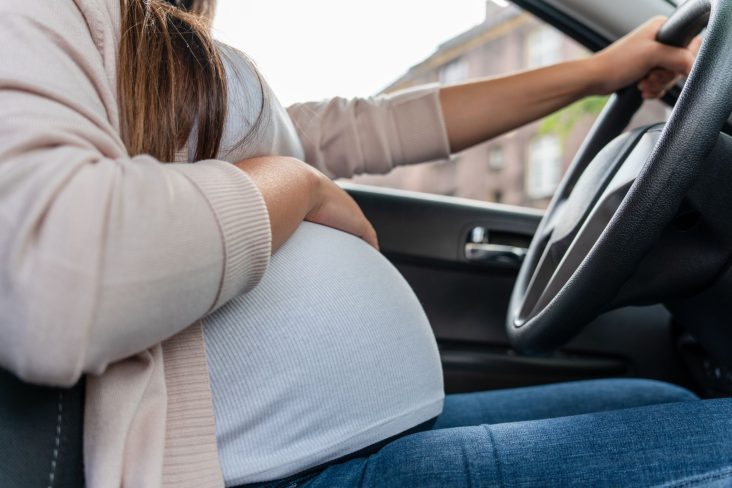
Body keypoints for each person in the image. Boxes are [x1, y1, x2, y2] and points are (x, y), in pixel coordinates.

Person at [1, 0, 726, 487]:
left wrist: (600, 72)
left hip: (350, 445)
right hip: (289, 472)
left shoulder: (160, 50)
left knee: (654, 394)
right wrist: (294, 183)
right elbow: (56, 282)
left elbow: (372, 126)